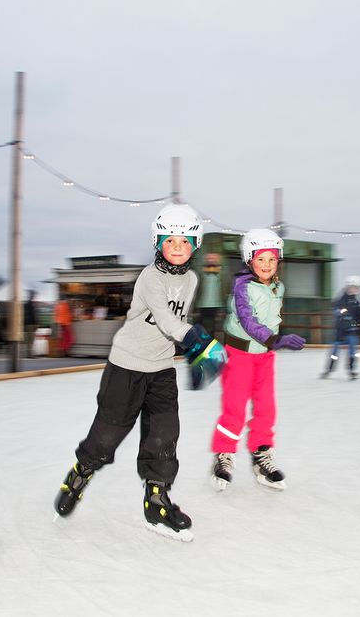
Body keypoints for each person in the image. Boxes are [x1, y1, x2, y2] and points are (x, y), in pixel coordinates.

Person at [53, 204, 225, 542]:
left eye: (185, 241)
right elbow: (165, 318)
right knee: (107, 435)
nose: (177, 247)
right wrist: (193, 338)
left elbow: (179, 321)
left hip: (161, 369)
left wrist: (194, 346)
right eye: (170, 240)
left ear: (196, 244)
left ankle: (156, 500)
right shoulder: (149, 277)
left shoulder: (191, 279)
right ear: (157, 242)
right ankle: (80, 473)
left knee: (164, 434)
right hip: (127, 366)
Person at [210, 228, 306, 492]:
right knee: (235, 408)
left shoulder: (278, 287)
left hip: (264, 357)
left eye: (272, 259)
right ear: (249, 259)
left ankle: (261, 454)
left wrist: (273, 342)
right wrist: (276, 339)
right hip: (239, 355)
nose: (266, 264)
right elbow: (248, 320)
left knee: (267, 407)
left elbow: (272, 318)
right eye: (261, 258)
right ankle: (224, 455)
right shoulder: (242, 287)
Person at [321, 275, 360, 380]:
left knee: (353, 352)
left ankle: (351, 371)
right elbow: (335, 311)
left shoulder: (356, 302)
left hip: (352, 332)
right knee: (334, 352)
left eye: (358, 288)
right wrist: (340, 312)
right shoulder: (341, 300)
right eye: (355, 287)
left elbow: (358, 316)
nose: (357, 290)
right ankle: (328, 370)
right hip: (340, 331)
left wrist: (359, 323)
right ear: (349, 287)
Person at [196, 253, 224, 337]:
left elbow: (224, 289)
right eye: (209, 258)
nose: (211, 260)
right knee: (199, 327)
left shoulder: (221, 273)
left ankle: (210, 345)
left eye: (214, 258)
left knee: (212, 328)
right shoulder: (200, 273)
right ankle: (199, 343)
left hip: (215, 305)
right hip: (202, 304)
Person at [23, 289, 38, 358]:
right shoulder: (31, 304)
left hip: (27, 324)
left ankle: (28, 354)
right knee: (31, 340)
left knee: (28, 340)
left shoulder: (26, 304)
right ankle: (30, 354)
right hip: (31, 324)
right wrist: (35, 324)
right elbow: (33, 315)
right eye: (33, 295)